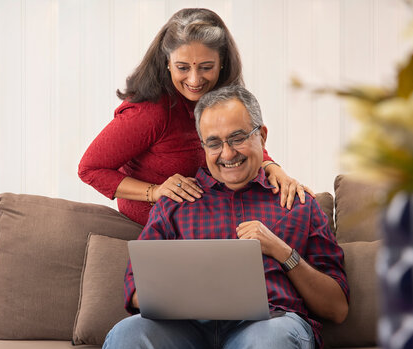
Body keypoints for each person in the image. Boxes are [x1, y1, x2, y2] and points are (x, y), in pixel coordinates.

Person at [102, 86, 349, 349]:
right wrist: (180, 291)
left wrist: (282, 251)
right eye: (214, 143)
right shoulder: (175, 203)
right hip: (184, 332)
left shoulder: (298, 203)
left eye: (238, 138)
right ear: (203, 146)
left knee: (271, 341)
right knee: (127, 334)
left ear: (262, 136)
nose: (228, 153)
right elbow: (135, 290)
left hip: (270, 326)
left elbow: (336, 309)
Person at [78, 8, 314, 226]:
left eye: (205, 67)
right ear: (167, 63)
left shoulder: (221, 99)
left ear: (222, 63)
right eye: (183, 68)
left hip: (209, 214)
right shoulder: (150, 112)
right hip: (160, 227)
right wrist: (155, 191)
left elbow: (239, 139)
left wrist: (274, 168)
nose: (194, 80)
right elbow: (90, 169)